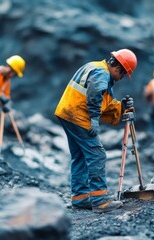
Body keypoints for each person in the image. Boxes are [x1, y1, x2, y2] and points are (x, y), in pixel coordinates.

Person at [55, 49, 137, 213]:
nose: (121, 79)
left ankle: (80, 198)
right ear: (118, 68)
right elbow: (94, 93)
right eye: (123, 75)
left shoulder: (95, 67)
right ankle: (100, 201)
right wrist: (93, 118)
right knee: (97, 155)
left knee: (79, 156)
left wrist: (121, 106)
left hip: (67, 113)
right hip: (78, 116)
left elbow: (102, 100)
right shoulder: (102, 73)